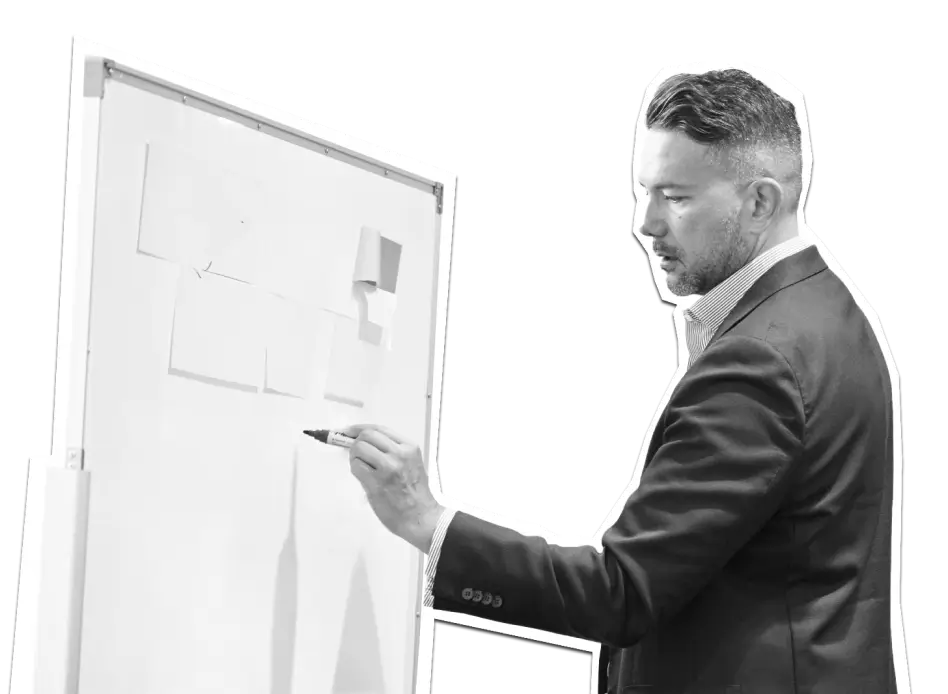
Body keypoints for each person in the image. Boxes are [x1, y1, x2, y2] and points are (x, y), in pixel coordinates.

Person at [340, 65, 900, 693]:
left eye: (676, 197)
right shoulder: (829, 309)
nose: (646, 223)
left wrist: (425, 519)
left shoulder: (760, 362)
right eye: (643, 191)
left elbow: (621, 593)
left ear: (760, 203)